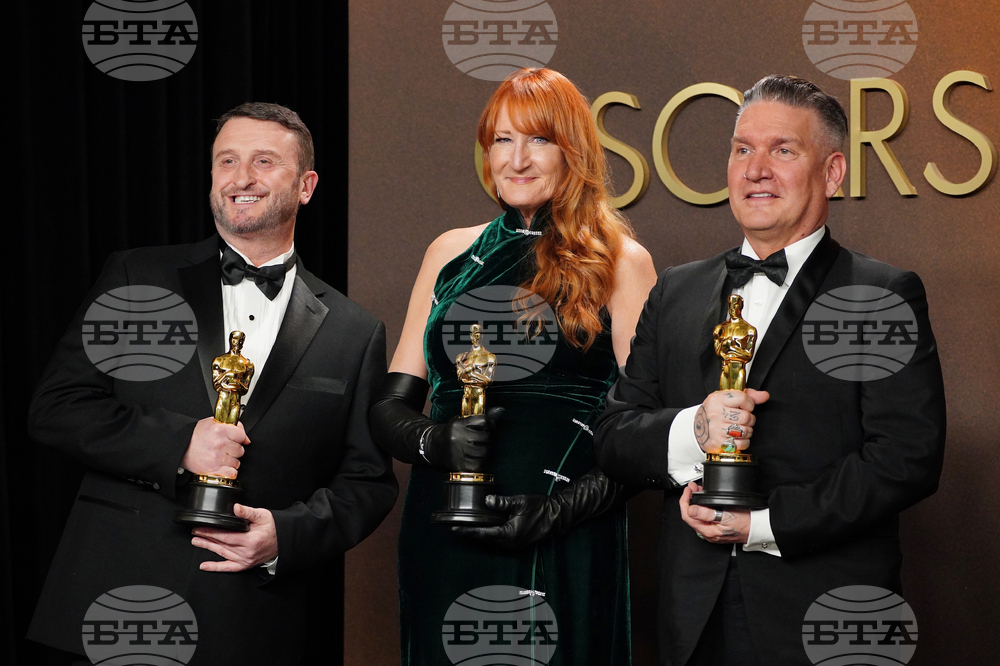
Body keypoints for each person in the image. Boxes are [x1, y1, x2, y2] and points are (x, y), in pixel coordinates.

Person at [27, 102, 398, 665]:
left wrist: (287, 536)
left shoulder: (356, 331)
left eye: (263, 161)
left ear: (306, 186)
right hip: (112, 604)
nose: (241, 177)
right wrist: (179, 443)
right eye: (226, 161)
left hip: (250, 623)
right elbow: (56, 407)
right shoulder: (137, 276)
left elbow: (368, 482)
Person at [594, 75, 946, 665]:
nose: (756, 169)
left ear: (832, 172)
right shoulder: (675, 292)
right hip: (693, 618)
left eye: (783, 150)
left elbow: (906, 459)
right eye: (741, 150)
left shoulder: (880, 293)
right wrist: (693, 432)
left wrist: (761, 524)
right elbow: (612, 435)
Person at [370, 68, 657, 664]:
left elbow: (650, 433)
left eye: (538, 140)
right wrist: (434, 439)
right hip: (446, 527)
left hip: (565, 531)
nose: (518, 159)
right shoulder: (450, 253)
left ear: (572, 151)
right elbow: (389, 409)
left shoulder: (621, 261)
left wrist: (558, 511)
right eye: (503, 140)